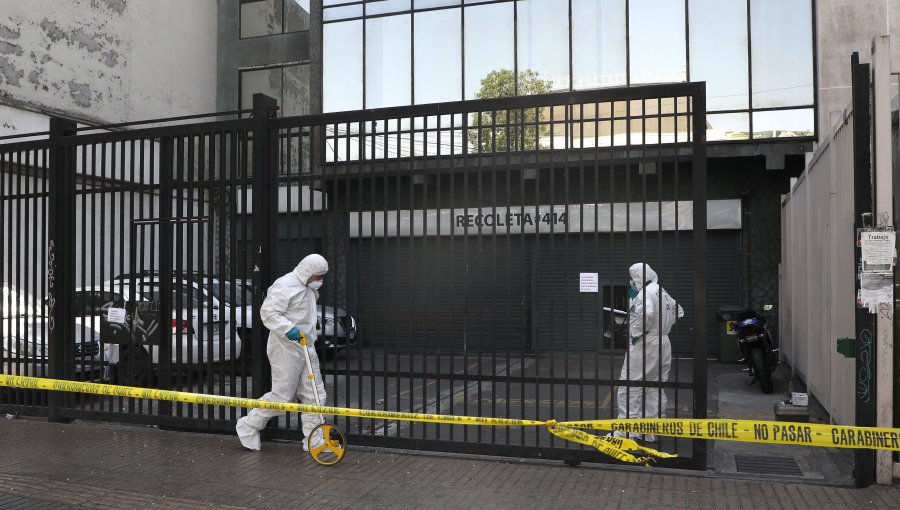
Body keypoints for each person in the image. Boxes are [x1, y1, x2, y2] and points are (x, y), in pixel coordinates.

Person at [235, 254, 329, 452]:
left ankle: (315, 440)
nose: (320, 281)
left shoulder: (308, 288)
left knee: (315, 395)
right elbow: (268, 312)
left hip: (306, 345)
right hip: (285, 346)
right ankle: (248, 425)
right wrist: (289, 328)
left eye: (322, 277)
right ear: (308, 272)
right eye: (318, 276)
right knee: (282, 396)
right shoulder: (285, 285)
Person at [614, 262, 683, 443]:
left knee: (630, 384)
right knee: (655, 387)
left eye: (632, 277)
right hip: (663, 342)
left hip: (646, 344)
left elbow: (646, 314)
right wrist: (663, 327)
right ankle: (652, 431)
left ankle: (627, 431)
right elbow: (679, 311)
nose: (631, 281)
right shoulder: (663, 291)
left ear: (638, 276)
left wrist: (637, 334)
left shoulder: (646, 293)